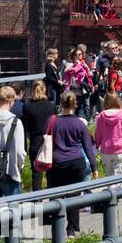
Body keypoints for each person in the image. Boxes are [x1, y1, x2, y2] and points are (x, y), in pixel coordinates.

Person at [49, 93, 96, 235]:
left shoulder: (53, 121)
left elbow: (44, 140)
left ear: (61, 104)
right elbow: (88, 146)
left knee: (56, 196)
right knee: (73, 196)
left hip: (57, 162)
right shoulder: (79, 123)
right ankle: (72, 230)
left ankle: (56, 230)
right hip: (76, 162)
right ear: (75, 104)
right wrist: (94, 166)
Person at [21, 81, 57, 192]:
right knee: (51, 173)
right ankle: (54, 202)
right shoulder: (51, 106)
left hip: (35, 143)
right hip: (50, 143)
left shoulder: (27, 107)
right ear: (44, 89)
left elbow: (24, 128)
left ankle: (37, 203)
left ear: (33, 90)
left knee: (36, 174)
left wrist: (24, 148)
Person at [93, 92, 122, 177]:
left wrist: (97, 146)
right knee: (120, 180)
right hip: (121, 150)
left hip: (106, 150)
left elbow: (98, 135)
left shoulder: (101, 116)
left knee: (109, 178)